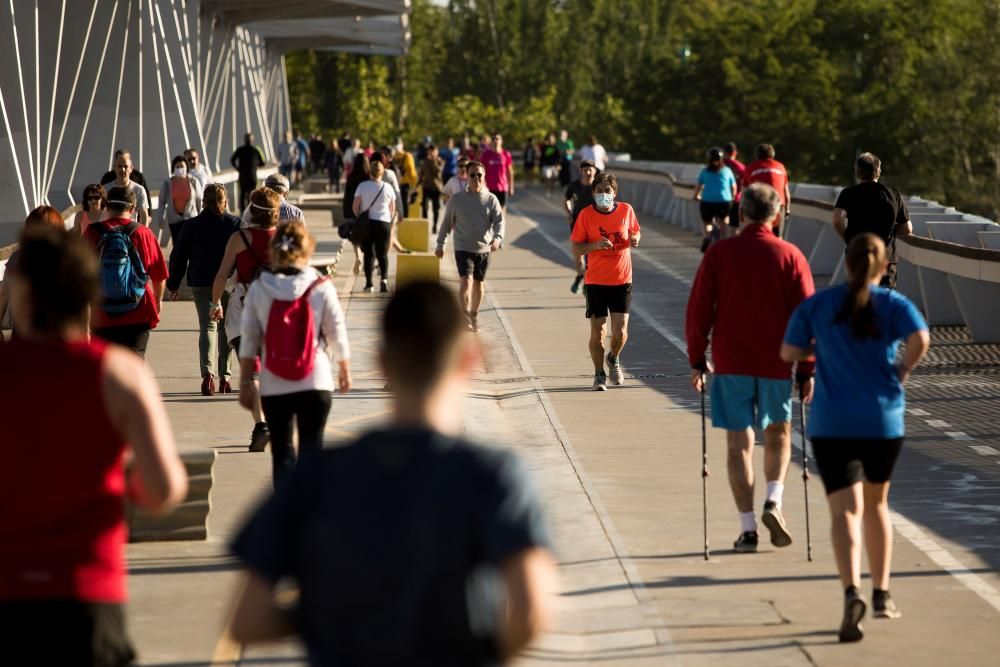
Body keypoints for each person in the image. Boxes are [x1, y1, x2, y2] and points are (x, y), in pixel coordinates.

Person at [227, 281, 556, 664]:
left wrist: (333, 615)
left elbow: (247, 621)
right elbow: (531, 613)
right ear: (468, 360)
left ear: (382, 362)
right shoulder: (494, 476)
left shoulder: (315, 474)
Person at [0, 225, 187, 667]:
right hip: (88, 594)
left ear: (21, 295)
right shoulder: (121, 375)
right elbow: (163, 489)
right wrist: (126, 487)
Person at [781, 233, 929, 642]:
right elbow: (922, 339)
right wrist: (903, 370)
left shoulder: (821, 304)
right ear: (884, 266)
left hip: (832, 423)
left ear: (846, 263)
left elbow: (788, 353)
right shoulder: (894, 305)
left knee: (845, 509)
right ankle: (882, 594)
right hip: (882, 421)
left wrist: (818, 344)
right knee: (877, 502)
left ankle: (851, 592)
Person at [685, 183, 815, 553]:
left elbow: (698, 312)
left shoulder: (719, 254)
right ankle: (774, 499)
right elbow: (806, 316)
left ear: (740, 214)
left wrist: (697, 359)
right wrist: (807, 368)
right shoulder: (791, 256)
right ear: (775, 215)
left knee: (738, 445)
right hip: (778, 362)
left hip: (731, 362)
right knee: (778, 435)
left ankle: (748, 530)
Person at [238, 220, 351, 487]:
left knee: (282, 453)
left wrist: (245, 382)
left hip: (274, 383)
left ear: (275, 251)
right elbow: (336, 331)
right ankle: (311, 519)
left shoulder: (260, 287)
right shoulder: (321, 285)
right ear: (307, 249)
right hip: (316, 380)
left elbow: (249, 340)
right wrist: (344, 368)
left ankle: (285, 520)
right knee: (312, 453)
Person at [210, 188, 280, 453]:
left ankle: (261, 424)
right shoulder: (284, 240)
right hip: (277, 313)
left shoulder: (239, 238)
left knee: (252, 373)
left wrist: (215, 304)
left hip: (245, 311)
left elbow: (220, 276)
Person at [167, 183, 242, 395]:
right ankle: (225, 377)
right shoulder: (235, 224)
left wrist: (173, 284)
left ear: (203, 201)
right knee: (225, 328)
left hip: (200, 283)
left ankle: (207, 375)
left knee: (206, 325)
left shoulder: (191, 225)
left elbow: (178, 257)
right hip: (228, 283)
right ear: (225, 201)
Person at [570, 173, 640, 391]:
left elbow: (636, 231)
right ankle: (599, 374)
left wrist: (637, 238)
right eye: (599, 191)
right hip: (596, 282)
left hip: (622, 279)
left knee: (620, 333)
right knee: (598, 332)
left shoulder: (626, 210)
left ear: (615, 193)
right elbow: (576, 248)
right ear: (593, 193)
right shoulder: (585, 215)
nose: (603, 195)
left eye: (607, 191)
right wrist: (594, 246)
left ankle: (614, 358)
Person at [84, 187, 168, 358]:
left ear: (107, 207)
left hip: (101, 314)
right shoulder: (144, 233)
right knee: (134, 368)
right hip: (139, 311)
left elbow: (81, 278)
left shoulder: (92, 233)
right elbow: (159, 275)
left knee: (105, 370)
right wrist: (158, 300)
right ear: (132, 209)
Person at [435, 161, 504, 332]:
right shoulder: (457, 199)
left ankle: (474, 315)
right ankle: (464, 317)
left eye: (479, 174)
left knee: (479, 284)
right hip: (463, 247)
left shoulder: (491, 199)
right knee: (466, 282)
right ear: (467, 176)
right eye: (472, 175)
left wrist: (497, 239)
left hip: (484, 249)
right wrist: (440, 244)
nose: (476, 178)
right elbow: (446, 224)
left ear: (484, 176)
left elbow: (499, 222)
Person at [832, 153, 912, 289]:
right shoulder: (893, 194)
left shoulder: (848, 193)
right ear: (878, 172)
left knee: (858, 297)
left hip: (858, 253)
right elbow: (907, 228)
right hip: (885, 258)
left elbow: (837, 219)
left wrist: (848, 238)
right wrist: (890, 229)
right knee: (885, 301)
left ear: (857, 172)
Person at [0, 206, 68, 339]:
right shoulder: (67, 256)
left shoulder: (18, 257)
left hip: (23, 331)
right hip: (58, 332)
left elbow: (4, 293)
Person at [353, 158, 397, 293]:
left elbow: (355, 206)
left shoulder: (362, 186)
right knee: (382, 254)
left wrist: (360, 217)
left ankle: (369, 284)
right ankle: (384, 279)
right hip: (383, 223)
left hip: (368, 224)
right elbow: (392, 208)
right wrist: (387, 219)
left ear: (370, 172)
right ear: (382, 173)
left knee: (368, 254)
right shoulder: (388, 187)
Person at [693, 147, 738, 252]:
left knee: (707, 222)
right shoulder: (727, 170)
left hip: (707, 201)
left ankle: (707, 237)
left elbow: (699, 186)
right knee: (724, 221)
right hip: (724, 200)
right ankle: (722, 243)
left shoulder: (704, 171)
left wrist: (696, 196)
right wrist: (732, 197)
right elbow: (734, 187)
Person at [565, 159, 598, 293]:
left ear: (595, 170)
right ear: (581, 171)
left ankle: (585, 281)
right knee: (578, 255)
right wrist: (568, 213)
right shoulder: (574, 186)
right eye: (585, 170)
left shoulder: (598, 187)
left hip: (594, 225)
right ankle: (581, 276)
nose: (588, 172)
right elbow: (566, 200)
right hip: (577, 224)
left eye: (590, 169)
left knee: (591, 255)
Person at [743, 144, 791, 237]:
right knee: (778, 236)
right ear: (773, 155)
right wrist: (787, 209)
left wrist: (741, 210)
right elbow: (786, 191)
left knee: (755, 233)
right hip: (778, 204)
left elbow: (744, 191)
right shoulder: (780, 167)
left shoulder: (751, 168)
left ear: (757, 155)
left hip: (756, 204)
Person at [158, 155, 203, 246]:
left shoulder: (193, 181)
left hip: (191, 218)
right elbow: (162, 201)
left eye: (182, 166)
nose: (180, 169)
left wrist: (200, 217)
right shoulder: (167, 183)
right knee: (178, 246)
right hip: (174, 221)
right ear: (173, 168)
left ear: (186, 167)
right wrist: (160, 218)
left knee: (191, 245)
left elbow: (199, 200)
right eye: (177, 167)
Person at [100, 149, 152, 222]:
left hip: (131, 231)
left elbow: (144, 215)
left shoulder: (139, 190)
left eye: (126, 166)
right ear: (114, 168)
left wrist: (143, 232)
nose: (123, 170)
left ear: (131, 168)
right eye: (119, 166)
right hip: (110, 231)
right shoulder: (105, 189)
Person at [343, 153, 370, 277]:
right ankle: (364, 258)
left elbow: (347, 196)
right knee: (367, 236)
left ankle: (358, 256)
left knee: (354, 235)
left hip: (353, 210)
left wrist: (346, 211)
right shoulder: (369, 177)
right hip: (367, 211)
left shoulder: (351, 177)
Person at [231, 133, 266, 210]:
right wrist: (255, 166)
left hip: (242, 175)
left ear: (245, 140)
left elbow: (232, 160)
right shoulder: (256, 150)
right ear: (252, 140)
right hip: (252, 176)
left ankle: (242, 212)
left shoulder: (240, 149)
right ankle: (251, 211)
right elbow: (263, 163)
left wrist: (237, 168)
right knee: (252, 194)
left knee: (243, 194)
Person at [481, 133, 515, 211]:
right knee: (489, 211)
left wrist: (511, 187)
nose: (495, 140)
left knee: (502, 211)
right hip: (489, 187)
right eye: (493, 139)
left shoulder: (506, 154)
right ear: (491, 142)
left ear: (501, 141)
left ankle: (501, 223)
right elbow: (481, 171)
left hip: (503, 188)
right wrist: (482, 184)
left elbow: (509, 172)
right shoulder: (486, 154)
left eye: (497, 138)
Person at [418, 144, 444, 232]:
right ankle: (424, 225)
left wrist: (434, 161)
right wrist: (417, 185)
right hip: (426, 187)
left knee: (435, 208)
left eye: (434, 151)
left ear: (437, 152)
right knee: (424, 207)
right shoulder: (425, 162)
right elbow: (421, 174)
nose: (432, 153)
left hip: (436, 188)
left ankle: (435, 226)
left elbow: (438, 172)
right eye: (430, 151)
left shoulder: (440, 161)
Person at [722, 142, 745, 237]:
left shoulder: (719, 164)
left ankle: (718, 243)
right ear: (735, 153)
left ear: (724, 153)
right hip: (736, 200)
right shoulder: (741, 167)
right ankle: (730, 246)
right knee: (733, 226)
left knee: (721, 222)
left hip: (720, 198)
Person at [393, 142, 418, 216]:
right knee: (404, 203)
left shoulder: (393, 156)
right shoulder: (407, 156)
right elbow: (411, 170)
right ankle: (404, 219)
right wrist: (414, 184)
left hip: (396, 182)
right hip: (405, 183)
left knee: (398, 203)